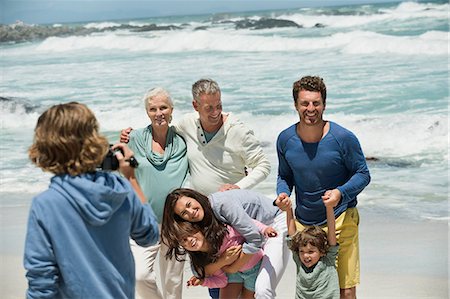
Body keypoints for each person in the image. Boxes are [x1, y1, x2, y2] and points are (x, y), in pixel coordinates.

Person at [23, 102, 159, 299]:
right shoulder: (120, 190)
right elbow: (149, 234)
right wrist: (130, 177)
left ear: (46, 146)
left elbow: (41, 281)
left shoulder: (46, 204)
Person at [276, 76, 371, 299]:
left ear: (324, 105)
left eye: (316, 103)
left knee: (345, 290)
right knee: (313, 289)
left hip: (340, 218)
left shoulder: (343, 138)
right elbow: (284, 175)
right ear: (296, 105)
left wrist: (340, 193)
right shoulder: (285, 139)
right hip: (304, 224)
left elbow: (363, 174)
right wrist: (282, 193)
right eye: (305, 103)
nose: (311, 109)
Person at [121, 78, 271, 195]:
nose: (215, 112)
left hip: (232, 205)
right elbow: (163, 127)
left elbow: (263, 165)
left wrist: (238, 187)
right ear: (195, 106)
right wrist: (133, 134)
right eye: (209, 108)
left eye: (219, 105)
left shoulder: (238, 131)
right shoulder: (188, 124)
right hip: (199, 209)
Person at [161, 188, 290, 299]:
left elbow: (255, 238)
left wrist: (231, 268)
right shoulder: (195, 227)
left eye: (189, 204)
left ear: (196, 197)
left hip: (272, 223)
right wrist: (222, 262)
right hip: (249, 238)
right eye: (184, 213)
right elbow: (199, 268)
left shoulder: (222, 205)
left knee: (263, 289)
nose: (190, 212)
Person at [127, 87, 189, 299]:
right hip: (144, 221)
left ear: (171, 110)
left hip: (176, 221)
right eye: (153, 109)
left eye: (163, 107)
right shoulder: (134, 138)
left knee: (172, 281)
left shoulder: (183, 139)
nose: (158, 113)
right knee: (140, 275)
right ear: (147, 112)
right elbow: (123, 172)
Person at [171, 219, 276, 299]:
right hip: (233, 273)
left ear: (199, 229)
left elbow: (247, 223)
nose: (189, 240)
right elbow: (221, 281)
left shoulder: (223, 233)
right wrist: (203, 281)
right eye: (184, 240)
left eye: (191, 233)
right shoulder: (206, 257)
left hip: (254, 268)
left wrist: (264, 229)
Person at [279, 190, 339, 298]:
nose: (305, 256)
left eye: (311, 252)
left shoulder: (328, 259)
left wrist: (329, 207)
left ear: (322, 252)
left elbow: (331, 229)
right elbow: (292, 233)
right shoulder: (299, 260)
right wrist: (289, 209)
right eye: (302, 251)